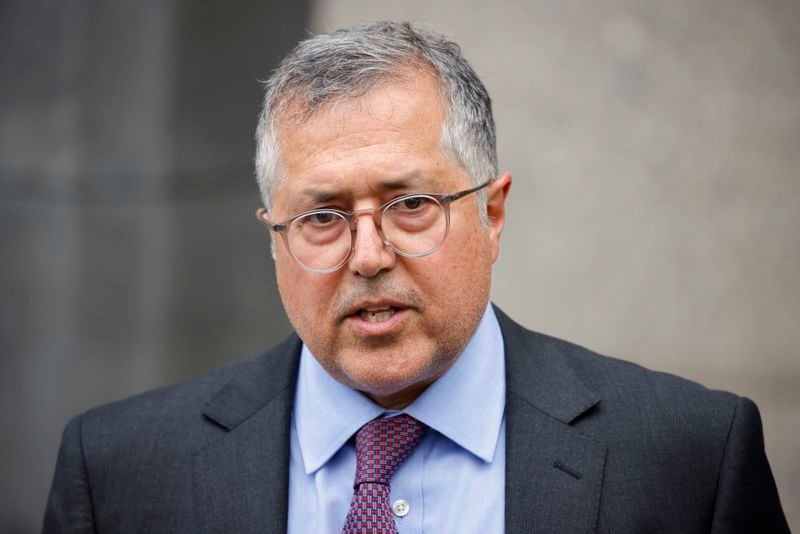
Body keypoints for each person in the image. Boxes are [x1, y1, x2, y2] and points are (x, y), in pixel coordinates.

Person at [44, 21, 789, 533]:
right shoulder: (119, 473)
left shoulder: (687, 458)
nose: (367, 256)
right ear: (274, 237)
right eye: (323, 217)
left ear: (492, 216)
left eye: (410, 205)